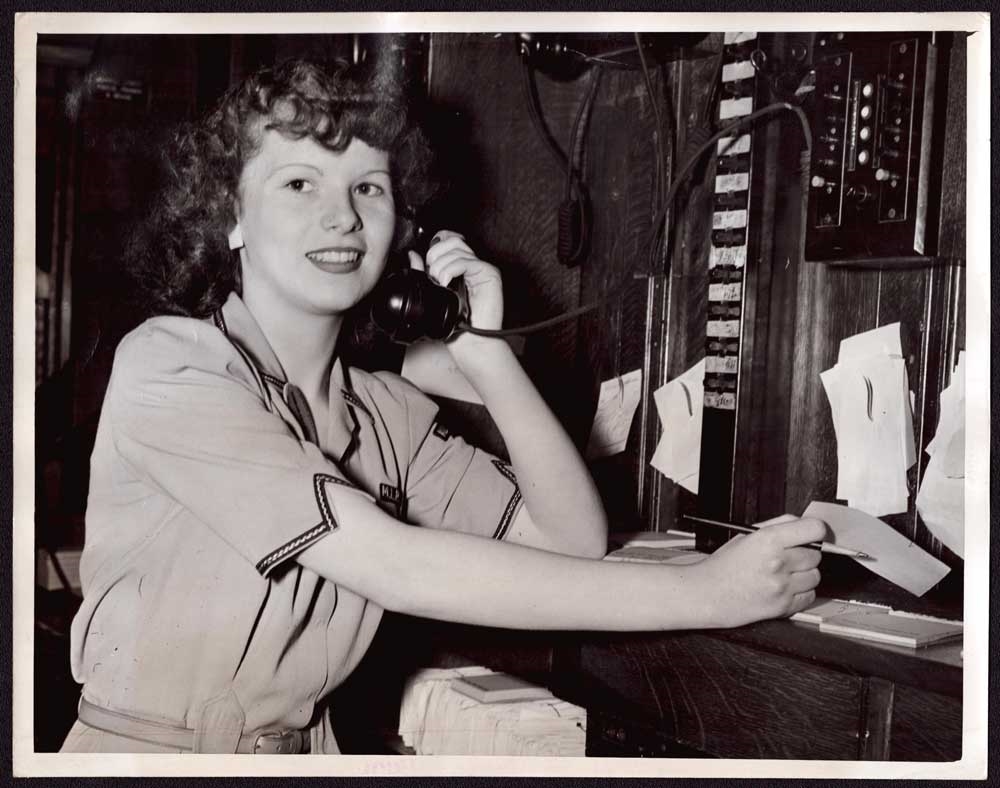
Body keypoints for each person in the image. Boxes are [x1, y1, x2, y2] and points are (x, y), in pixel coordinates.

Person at [60, 58, 825, 754]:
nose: (343, 217)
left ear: (404, 231)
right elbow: (390, 564)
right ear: (231, 217)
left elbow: (570, 538)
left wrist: (484, 352)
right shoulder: (173, 364)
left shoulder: (386, 412)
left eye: (368, 187)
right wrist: (706, 592)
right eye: (299, 184)